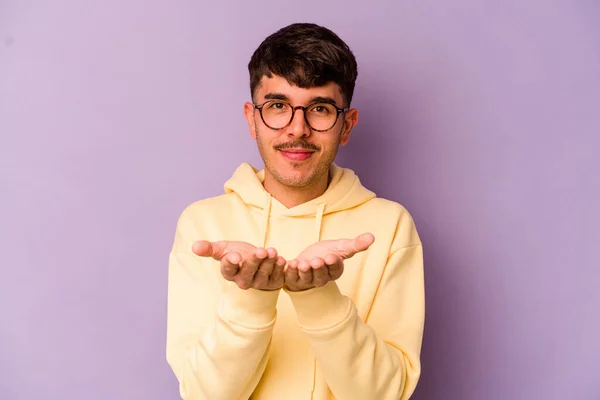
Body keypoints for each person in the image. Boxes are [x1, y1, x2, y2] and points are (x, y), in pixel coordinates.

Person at [166, 22, 425, 400]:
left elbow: (385, 395)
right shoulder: (203, 225)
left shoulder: (390, 226)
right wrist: (252, 299)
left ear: (346, 125)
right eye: (277, 107)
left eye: (319, 108)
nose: (297, 129)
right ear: (252, 119)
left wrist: (321, 298)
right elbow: (204, 395)